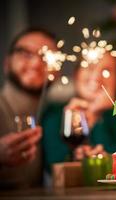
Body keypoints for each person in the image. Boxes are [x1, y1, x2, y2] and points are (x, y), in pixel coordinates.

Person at [41, 52, 116, 175]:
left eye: (107, 71)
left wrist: (97, 115)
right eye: (90, 67)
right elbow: (53, 165)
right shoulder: (55, 115)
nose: (96, 77)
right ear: (76, 74)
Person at [0, 28, 57, 189]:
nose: (36, 63)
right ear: (7, 63)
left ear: (56, 70)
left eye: (46, 57)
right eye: (25, 54)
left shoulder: (56, 114)